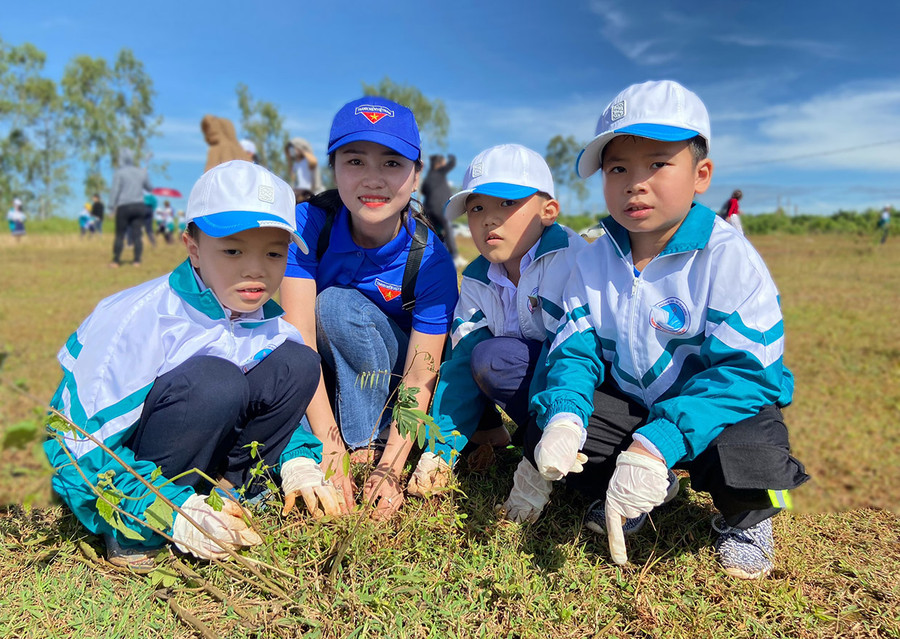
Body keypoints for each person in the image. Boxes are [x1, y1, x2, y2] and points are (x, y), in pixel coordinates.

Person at [500, 80, 809, 580]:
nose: (634, 183)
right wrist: (564, 418)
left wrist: (657, 442)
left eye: (658, 164)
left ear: (701, 175)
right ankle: (649, 491)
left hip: (714, 409)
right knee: (548, 428)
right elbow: (575, 352)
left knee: (753, 440)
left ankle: (748, 518)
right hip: (632, 402)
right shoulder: (595, 256)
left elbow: (749, 375)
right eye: (618, 168)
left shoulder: (729, 258)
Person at [44, 161, 341, 571]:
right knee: (215, 380)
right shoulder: (140, 322)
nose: (255, 269)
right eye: (233, 250)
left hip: (197, 452)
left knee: (298, 363)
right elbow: (76, 448)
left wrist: (298, 461)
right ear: (194, 248)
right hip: (131, 477)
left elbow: (274, 400)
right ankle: (138, 531)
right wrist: (166, 510)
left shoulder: (265, 321)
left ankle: (228, 498)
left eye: (274, 253)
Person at [280, 96, 459, 519]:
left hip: (396, 379)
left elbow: (422, 370)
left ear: (416, 176)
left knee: (338, 306)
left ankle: (370, 444)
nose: (373, 179)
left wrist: (391, 469)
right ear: (334, 169)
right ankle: (337, 441)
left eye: (392, 163)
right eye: (355, 161)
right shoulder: (307, 224)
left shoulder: (431, 259)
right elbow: (300, 337)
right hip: (325, 365)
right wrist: (327, 444)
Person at [407, 145, 587, 497]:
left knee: (586, 482)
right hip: (538, 389)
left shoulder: (575, 260)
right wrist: (439, 452)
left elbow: (578, 357)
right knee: (489, 358)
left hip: (590, 394)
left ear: (549, 211)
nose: (489, 218)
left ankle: (583, 449)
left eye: (507, 203)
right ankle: (543, 445)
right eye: (477, 208)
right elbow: (462, 364)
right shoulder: (476, 280)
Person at [109, 148, 152, 267]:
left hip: (124, 206)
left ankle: (116, 260)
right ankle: (137, 261)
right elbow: (149, 188)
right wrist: (144, 174)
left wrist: (111, 207)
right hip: (139, 206)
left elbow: (115, 191)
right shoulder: (141, 172)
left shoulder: (119, 173)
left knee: (120, 234)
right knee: (137, 234)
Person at [420, 153, 463, 265]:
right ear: (439, 164)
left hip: (429, 209)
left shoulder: (429, 176)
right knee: (447, 229)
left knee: (435, 232)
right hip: (440, 207)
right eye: (442, 162)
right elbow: (451, 164)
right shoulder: (439, 172)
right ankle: (454, 256)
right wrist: (452, 157)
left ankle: (432, 254)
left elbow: (424, 190)